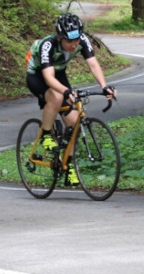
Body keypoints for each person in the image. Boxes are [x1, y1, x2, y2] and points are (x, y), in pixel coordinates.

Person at [25, 13, 117, 185]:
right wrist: (66, 92)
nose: (74, 45)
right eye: (69, 42)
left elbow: (93, 64)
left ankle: (69, 167)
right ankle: (46, 135)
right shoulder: (48, 45)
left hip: (58, 72)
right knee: (58, 95)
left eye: (76, 41)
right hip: (38, 75)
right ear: (59, 38)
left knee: (74, 122)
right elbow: (48, 79)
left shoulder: (81, 40)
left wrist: (104, 86)